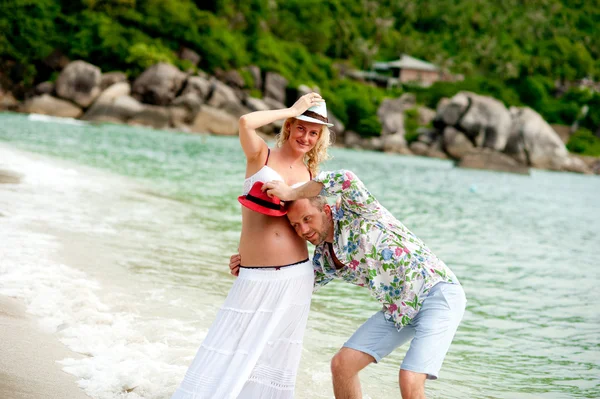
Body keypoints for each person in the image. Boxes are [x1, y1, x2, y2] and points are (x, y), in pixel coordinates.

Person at [230, 170, 466, 399]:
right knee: (342, 365)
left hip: (436, 292)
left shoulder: (355, 210)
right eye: (295, 225)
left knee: (410, 378)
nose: (303, 230)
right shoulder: (323, 259)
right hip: (399, 309)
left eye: (307, 219)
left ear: (325, 210)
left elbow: (345, 178)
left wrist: (291, 193)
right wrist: (250, 266)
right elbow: (290, 286)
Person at [171, 93, 334, 399]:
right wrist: (293, 109)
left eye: (314, 133)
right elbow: (246, 122)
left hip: (295, 277)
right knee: (228, 346)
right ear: (289, 127)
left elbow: (309, 226)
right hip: (253, 274)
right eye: (300, 128)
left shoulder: (311, 176)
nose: (306, 137)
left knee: (274, 355)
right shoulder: (261, 156)